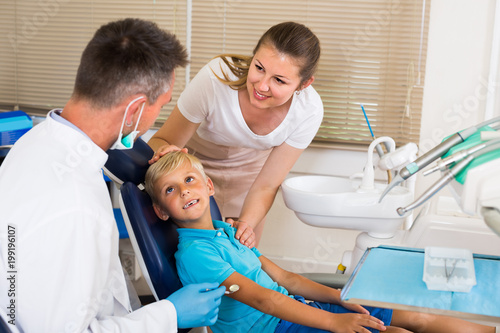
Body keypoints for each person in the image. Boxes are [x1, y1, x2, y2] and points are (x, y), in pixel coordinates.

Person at [0, 18, 225, 333]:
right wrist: (170, 315)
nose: (155, 119)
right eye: (159, 107)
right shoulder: (76, 208)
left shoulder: (36, 141)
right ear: (134, 110)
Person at [144, 151, 495, 333]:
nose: (185, 190)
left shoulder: (227, 231)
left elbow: (285, 280)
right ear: (161, 210)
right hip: (275, 327)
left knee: (417, 317)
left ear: (208, 186)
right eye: (171, 190)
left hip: (295, 308)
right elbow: (264, 299)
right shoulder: (196, 255)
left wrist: (342, 298)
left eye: (190, 179)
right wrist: (333, 322)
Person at [148, 21, 323, 248]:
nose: (261, 86)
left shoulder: (308, 109)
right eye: (259, 67)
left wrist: (244, 225)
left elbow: (267, 185)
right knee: (188, 256)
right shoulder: (216, 77)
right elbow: (161, 140)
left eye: (279, 80)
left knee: (240, 257)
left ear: (304, 84)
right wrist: (164, 152)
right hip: (192, 171)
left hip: (251, 182)